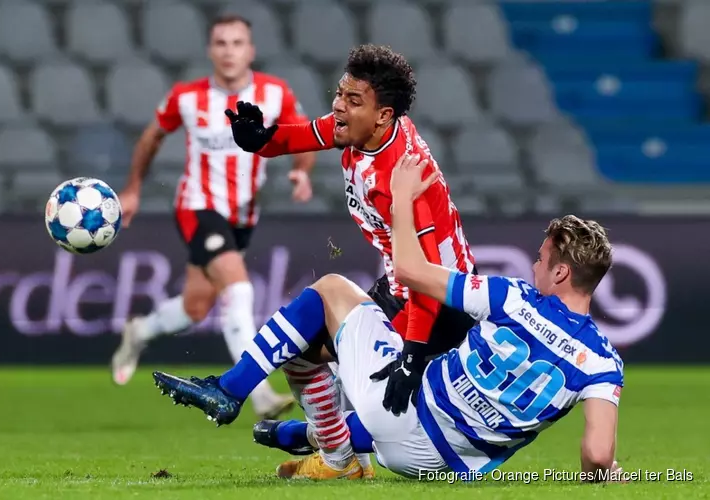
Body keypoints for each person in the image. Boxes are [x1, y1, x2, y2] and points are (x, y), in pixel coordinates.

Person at [151, 154, 625, 481]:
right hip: (446, 468)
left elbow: (412, 271)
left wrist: (401, 197)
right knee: (403, 389)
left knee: (329, 293)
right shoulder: (603, 362)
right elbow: (598, 456)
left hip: (402, 420)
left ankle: (230, 391)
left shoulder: (513, 298)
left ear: (562, 271)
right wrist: (610, 475)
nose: (535, 263)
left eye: (542, 258)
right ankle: (305, 437)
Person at [221, 44, 478, 474]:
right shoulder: (360, 131)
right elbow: (305, 134)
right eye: (340, 93)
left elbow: (430, 276)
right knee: (304, 350)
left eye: (352, 100)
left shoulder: (403, 173)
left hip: (438, 305)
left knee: (380, 400)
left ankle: (319, 444)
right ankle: (334, 451)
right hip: (401, 287)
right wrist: (261, 140)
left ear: (384, 115)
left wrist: (413, 356)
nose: (338, 106)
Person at [111, 14, 316, 420]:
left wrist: (301, 171)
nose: (229, 51)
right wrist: (132, 189)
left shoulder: (274, 93)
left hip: (242, 215)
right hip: (198, 207)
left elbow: (303, 131)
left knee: (195, 307)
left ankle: (140, 330)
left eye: (237, 43)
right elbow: (151, 137)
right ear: (211, 50)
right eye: (221, 43)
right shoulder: (186, 97)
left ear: (250, 51)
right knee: (238, 289)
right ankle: (257, 394)